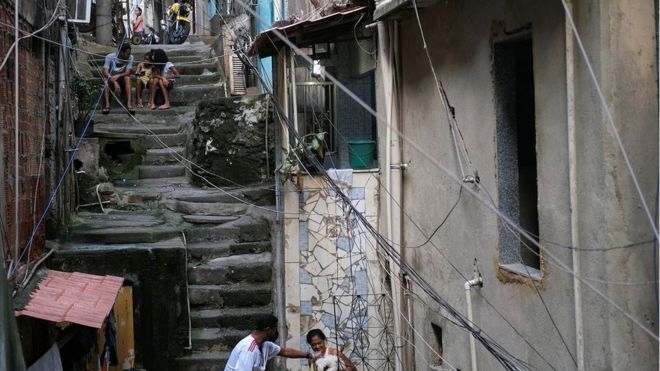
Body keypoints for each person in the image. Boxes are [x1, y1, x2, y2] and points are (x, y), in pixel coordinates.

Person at [224, 314, 314, 370]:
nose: (276, 333)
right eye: (275, 329)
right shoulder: (248, 349)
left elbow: (285, 351)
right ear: (268, 330)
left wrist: (308, 355)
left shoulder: (265, 345)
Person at [102, 43, 134, 114]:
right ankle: (107, 105)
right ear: (121, 52)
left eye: (129, 53)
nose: (129, 55)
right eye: (127, 53)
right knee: (106, 81)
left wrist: (119, 75)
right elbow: (105, 72)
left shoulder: (130, 57)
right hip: (111, 79)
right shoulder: (110, 57)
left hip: (121, 79)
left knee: (127, 78)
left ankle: (129, 104)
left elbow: (128, 72)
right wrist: (114, 82)